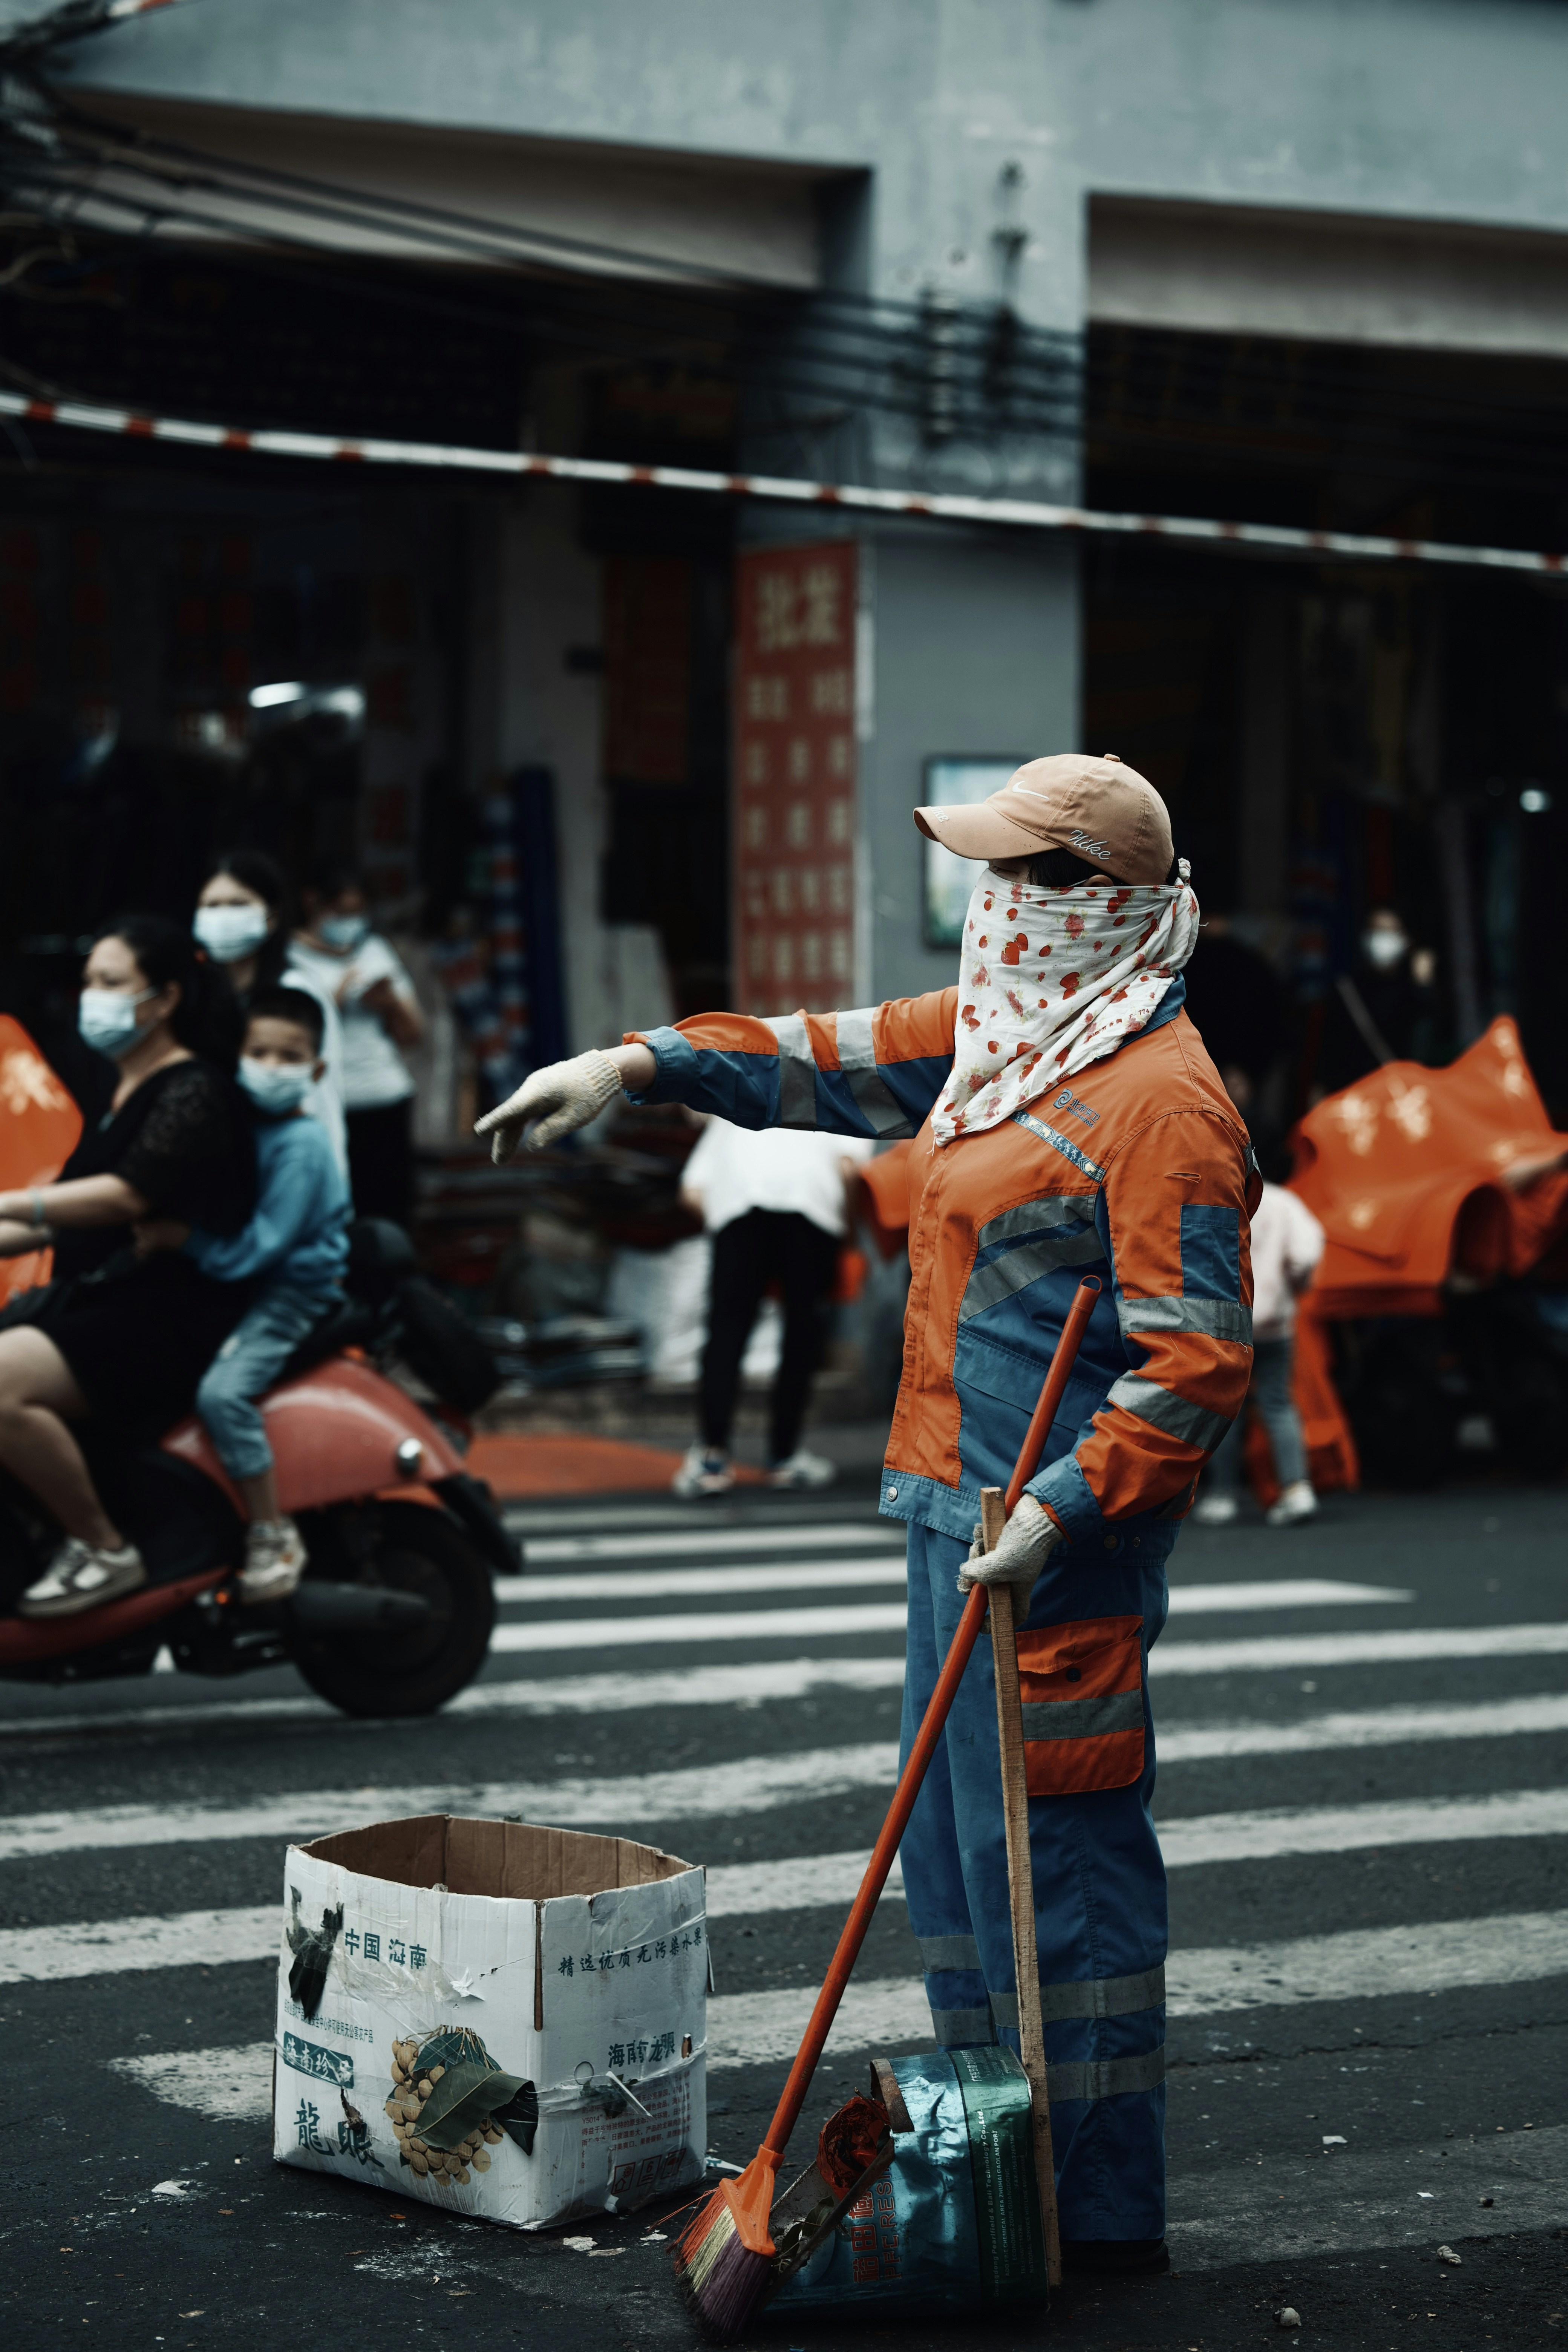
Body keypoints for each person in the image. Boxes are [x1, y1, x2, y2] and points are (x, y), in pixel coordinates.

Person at [476, 753, 1256, 2277]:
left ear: (1100, 901)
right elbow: (816, 1056)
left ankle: (1098, 2216)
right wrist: (636, 1064)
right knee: (963, 1875)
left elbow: (1194, 1360)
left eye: (1023, 874)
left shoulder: (1160, 1100)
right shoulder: (998, 1042)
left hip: (1049, 1554)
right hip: (942, 1517)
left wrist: (1055, 1508)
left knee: (1063, 1872)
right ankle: (1009, 2168)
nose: (991, 903)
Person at [0, 916, 255, 1618]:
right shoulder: (116, 1092)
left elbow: (124, 1197)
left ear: (164, 999)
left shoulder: (192, 1089)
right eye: (90, 982)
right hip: (103, 1301)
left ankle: (102, 1545)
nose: (94, 998)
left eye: (112, 983)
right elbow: (50, 1218)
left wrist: (16, 1201)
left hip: (168, 1315)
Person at [138, 986, 351, 1602]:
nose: (272, 1066)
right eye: (259, 1051)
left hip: (292, 1293)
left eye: (289, 1057)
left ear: (317, 1071)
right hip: (249, 1282)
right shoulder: (249, 1127)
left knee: (222, 1396)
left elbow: (261, 1248)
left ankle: (271, 1530)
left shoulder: (303, 1147)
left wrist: (183, 1240)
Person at [673, 1118, 874, 1496]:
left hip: (739, 1211)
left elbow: (692, 1192)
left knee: (727, 1329)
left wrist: (724, 1229)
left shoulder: (736, 1107)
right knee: (800, 1335)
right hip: (811, 1213)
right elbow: (848, 1169)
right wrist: (847, 1238)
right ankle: (783, 1457)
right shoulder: (834, 1099)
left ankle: (712, 1459)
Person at [193, 850, 348, 1177]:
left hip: (287, 1169)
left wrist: (327, 1179)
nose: (223, 916)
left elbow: (323, 1100)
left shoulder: (297, 992)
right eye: (211, 905)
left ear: (271, 917)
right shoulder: (198, 995)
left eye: (238, 904)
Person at [289, 865, 424, 1226]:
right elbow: (286, 1036)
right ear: (312, 903)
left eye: (357, 913)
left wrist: (389, 1003)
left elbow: (414, 1035)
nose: (350, 922)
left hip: (386, 1096)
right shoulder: (290, 960)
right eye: (341, 913)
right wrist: (337, 998)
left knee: (389, 1210)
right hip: (328, 1103)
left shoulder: (374, 951)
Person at [1194, 1176, 1324, 1527]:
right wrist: (1294, 1287)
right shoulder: (1284, 1202)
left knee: (1226, 1408)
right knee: (1278, 1404)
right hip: (1275, 1325)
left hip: (1226, 1324)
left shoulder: (1217, 1196)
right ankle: (1297, 1489)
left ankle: (1223, 1495)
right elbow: (1306, 1253)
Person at [1315, 905, 1444, 1098]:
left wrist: (1424, 988)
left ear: (1407, 940)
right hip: (1352, 1098)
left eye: (1389, 932)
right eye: (1375, 931)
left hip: (1399, 1099)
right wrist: (1320, 1090)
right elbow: (1330, 1051)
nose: (1380, 939)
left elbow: (1425, 1049)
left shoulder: (1414, 992)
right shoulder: (1347, 990)